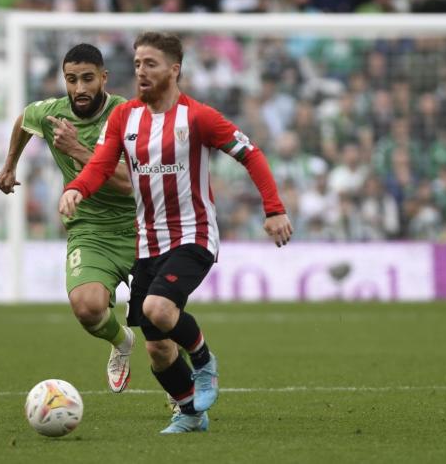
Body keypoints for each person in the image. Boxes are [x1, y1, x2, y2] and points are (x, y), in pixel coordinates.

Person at [59, 32, 292, 433]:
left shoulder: (198, 117)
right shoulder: (124, 118)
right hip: (147, 242)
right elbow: (100, 163)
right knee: (157, 348)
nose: (141, 72)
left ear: (174, 70)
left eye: (150, 64)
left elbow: (250, 153)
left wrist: (273, 209)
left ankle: (204, 362)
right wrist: (76, 188)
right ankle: (190, 414)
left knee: (158, 309)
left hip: (193, 235)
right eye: (136, 65)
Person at [0, 44, 138, 393]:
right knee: (87, 308)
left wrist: (77, 149)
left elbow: (130, 184)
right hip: (90, 230)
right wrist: (10, 164)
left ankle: (179, 393)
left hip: (142, 227)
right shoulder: (53, 114)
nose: (79, 88)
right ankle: (122, 342)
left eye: (88, 79)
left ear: (103, 77)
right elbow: (25, 120)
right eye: (71, 79)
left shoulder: (127, 115)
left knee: (161, 319)